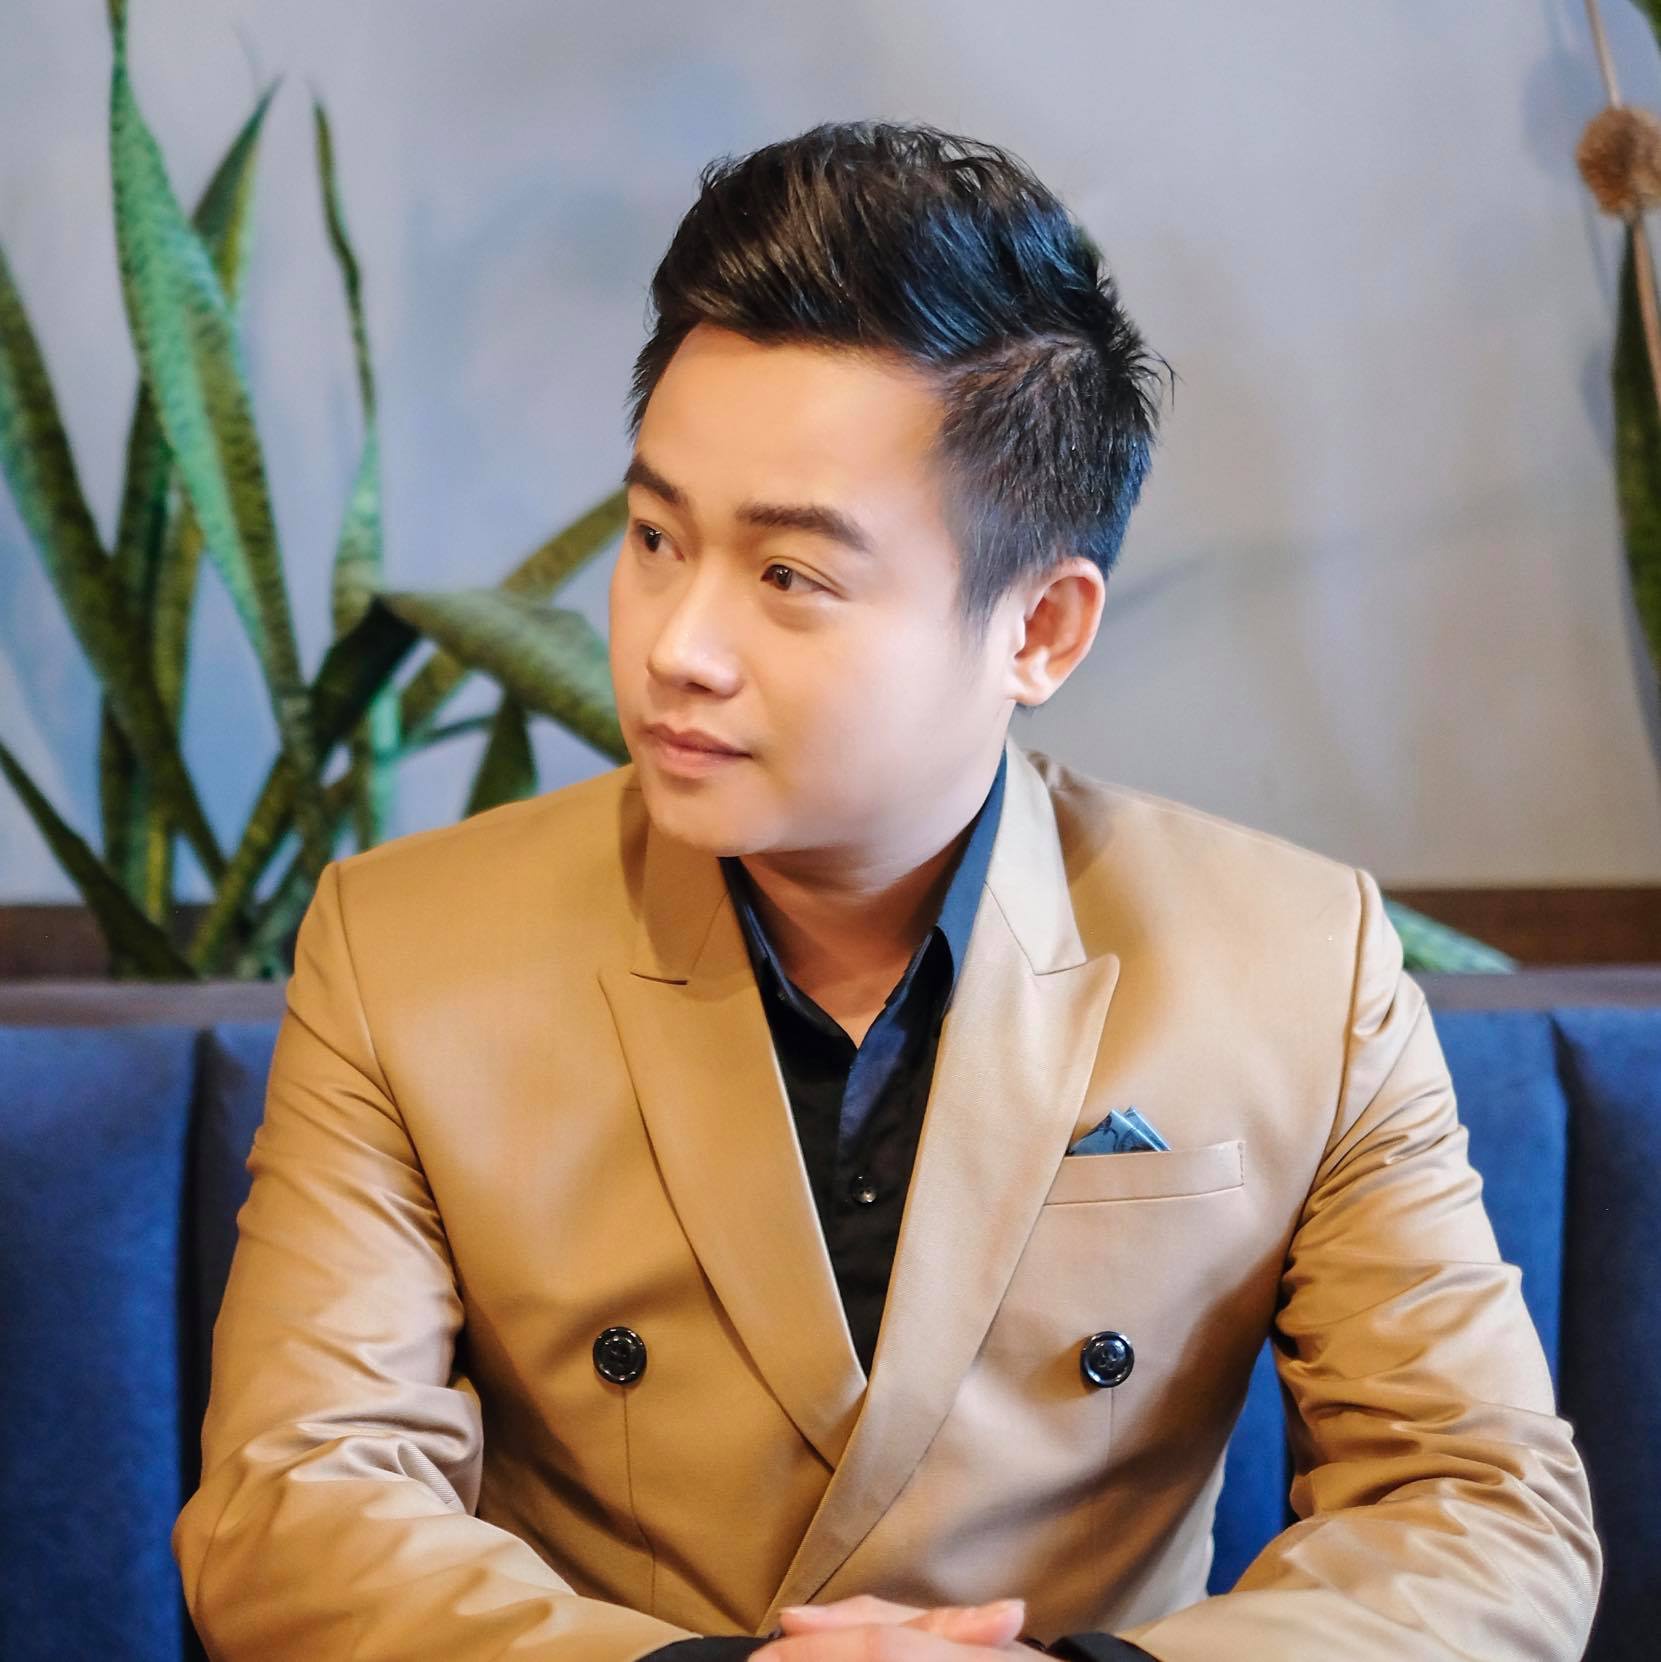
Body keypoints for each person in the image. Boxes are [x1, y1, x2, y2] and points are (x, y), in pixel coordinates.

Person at [172, 119, 1601, 1662]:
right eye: (654, 537)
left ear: (1040, 630)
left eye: (788, 575)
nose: (675, 645)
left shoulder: (1292, 965)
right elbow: (291, 1506)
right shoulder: (406, 949)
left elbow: (1482, 1511)